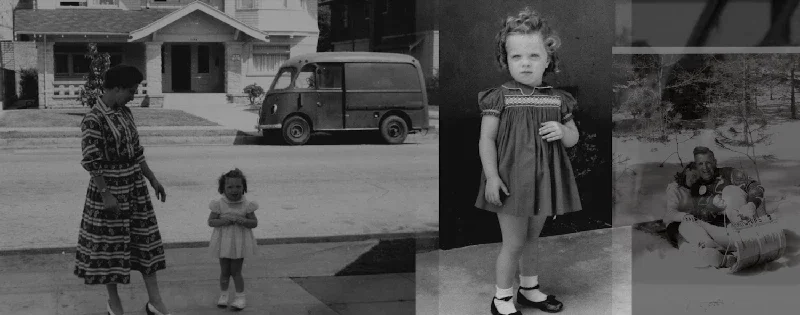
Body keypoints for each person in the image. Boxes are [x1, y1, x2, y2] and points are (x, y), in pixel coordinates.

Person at [474, 7, 582, 315]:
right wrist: (492, 177)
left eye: (533, 56)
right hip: (510, 180)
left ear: (548, 59)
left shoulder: (558, 99)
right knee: (513, 242)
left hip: (544, 180)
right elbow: (486, 139)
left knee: (532, 239)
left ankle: (529, 289)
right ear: (505, 59)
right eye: (516, 57)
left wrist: (563, 129)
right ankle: (502, 298)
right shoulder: (500, 97)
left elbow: (573, 138)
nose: (524, 63)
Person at [74, 65, 172, 315]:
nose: (133, 95)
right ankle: (114, 302)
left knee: (145, 244)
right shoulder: (93, 118)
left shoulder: (126, 113)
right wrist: (106, 194)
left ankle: (155, 301)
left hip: (135, 187)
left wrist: (152, 179)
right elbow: (91, 161)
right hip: (110, 189)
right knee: (111, 248)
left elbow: (137, 151)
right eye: (131, 90)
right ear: (116, 88)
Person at [208, 168, 259, 310]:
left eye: (238, 186)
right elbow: (211, 222)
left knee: (236, 271)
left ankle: (240, 297)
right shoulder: (219, 204)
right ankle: (223, 295)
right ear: (222, 188)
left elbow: (254, 223)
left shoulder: (247, 205)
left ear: (244, 188)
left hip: (239, 243)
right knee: (224, 271)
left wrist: (242, 220)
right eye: (229, 187)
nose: (234, 190)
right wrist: (223, 221)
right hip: (223, 242)